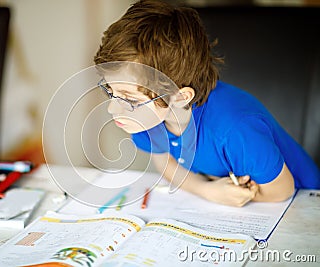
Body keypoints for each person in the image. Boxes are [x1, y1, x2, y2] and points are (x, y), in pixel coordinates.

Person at [93, 0, 320, 207]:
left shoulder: (234, 129)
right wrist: (207, 190)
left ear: (180, 97)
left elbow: (282, 190)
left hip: (301, 201)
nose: (113, 108)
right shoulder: (145, 118)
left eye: (130, 99)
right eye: (110, 91)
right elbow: (165, 163)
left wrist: (231, 195)